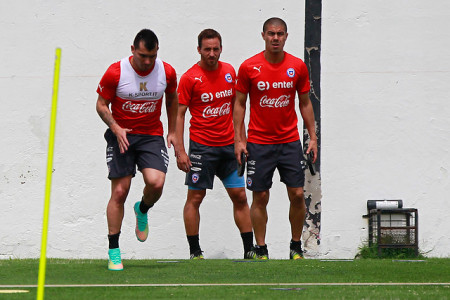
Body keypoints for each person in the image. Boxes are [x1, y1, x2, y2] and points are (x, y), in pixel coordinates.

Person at [233, 17, 318, 260]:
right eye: (271, 34)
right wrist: (240, 140)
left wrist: (312, 138)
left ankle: (295, 247)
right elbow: (239, 105)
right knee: (260, 196)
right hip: (259, 143)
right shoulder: (249, 67)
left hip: (289, 142)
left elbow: (305, 104)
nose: (276, 38)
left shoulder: (297, 66)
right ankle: (261, 249)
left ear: (286, 36)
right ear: (263, 36)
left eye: (280, 34)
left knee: (298, 194)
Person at [96, 29, 178, 270]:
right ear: (133, 50)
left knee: (156, 183)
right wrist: (115, 126)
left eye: (152, 56)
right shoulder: (116, 72)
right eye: (143, 55)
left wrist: (172, 131)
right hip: (121, 135)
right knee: (120, 191)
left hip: (151, 135)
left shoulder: (167, 71)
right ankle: (114, 250)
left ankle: (142, 209)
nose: (147, 61)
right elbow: (101, 105)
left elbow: (172, 99)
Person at [175, 29, 254, 259]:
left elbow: (237, 108)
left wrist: (242, 140)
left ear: (221, 48)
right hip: (202, 148)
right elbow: (180, 114)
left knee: (240, 196)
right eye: (207, 49)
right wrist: (180, 150)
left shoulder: (230, 71)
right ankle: (195, 252)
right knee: (195, 198)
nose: (212, 53)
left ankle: (249, 251)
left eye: (215, 49)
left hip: (229, 147)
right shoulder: (190, 77)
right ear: (198, 49)